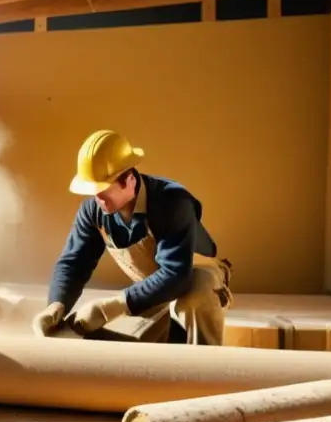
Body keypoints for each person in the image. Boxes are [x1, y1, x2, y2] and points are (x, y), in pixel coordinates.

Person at [31, 129, 233, 345]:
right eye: (92, 190)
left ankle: (203, 371)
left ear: (129, 180)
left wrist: (111, 306)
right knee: (79, 331)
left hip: (193, 278)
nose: (97, 197)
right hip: (154, 290)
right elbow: (74, 263)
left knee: (196, 297)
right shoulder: (94, 210)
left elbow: (176, 275)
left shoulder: (172, 201)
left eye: (103, 189)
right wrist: (56, 305)